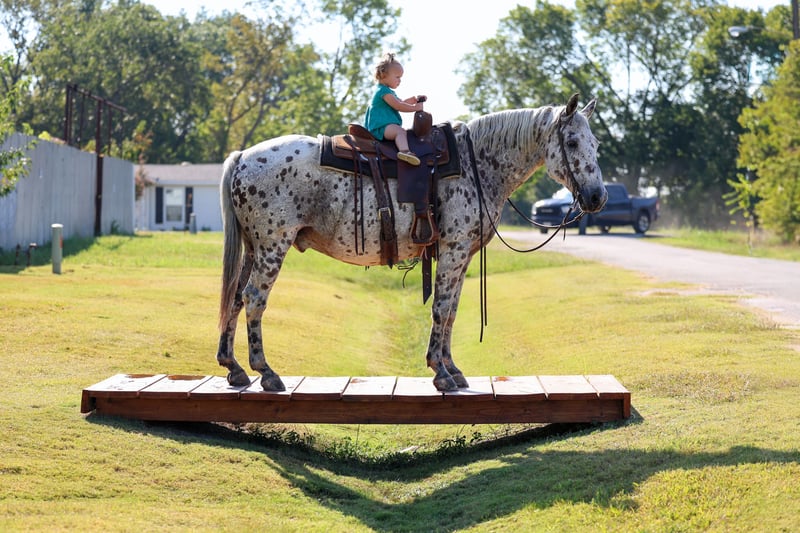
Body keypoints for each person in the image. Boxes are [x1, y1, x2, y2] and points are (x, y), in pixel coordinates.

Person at [364, 52, 426, 166]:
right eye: (397, 77)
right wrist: (415, 108)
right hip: (380, 128)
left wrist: (413, 100)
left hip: (385, 126)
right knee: (400, 132)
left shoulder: (388, 91)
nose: (399, 80)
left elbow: (400, 102)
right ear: (384, 75)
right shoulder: (383, 92)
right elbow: (398, 106)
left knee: (400, 131)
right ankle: (404, 151)